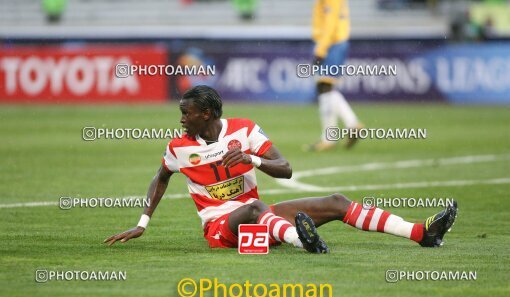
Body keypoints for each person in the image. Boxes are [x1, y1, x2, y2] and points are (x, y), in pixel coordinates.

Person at [104, 85, 457, 253]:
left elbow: (285, 168)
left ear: (207, 115)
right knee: (258, 207)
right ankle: (306, 244)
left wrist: (252, 160)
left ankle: (421, 234)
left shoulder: (244, 130)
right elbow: (161, 176)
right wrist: (141, 223)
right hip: (219, 229)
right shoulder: (178, 148)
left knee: (336, 200)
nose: (182, 119)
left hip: (260, 218)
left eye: (187, 113)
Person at [305, 0, 364, 151]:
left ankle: (331, 137)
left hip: (332, 44)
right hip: (333, 42)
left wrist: (321, 50)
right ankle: (349, 126)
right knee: (325, 87)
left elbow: (330, 24)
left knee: (325, 87)